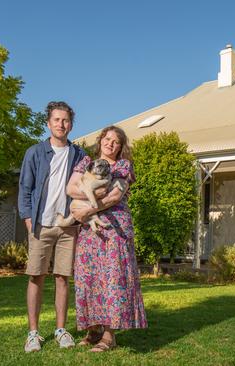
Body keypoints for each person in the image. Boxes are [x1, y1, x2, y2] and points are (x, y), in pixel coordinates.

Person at [67, 126, 147, 352]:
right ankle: (93, 330)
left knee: (113, 278)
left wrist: (88, 209)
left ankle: (109, 336)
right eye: (107, 139)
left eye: (116, 141)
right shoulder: (85, 162)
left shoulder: (123, 166)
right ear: (101, 140)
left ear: (121, 147)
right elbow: (70, 188)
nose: (110, 144)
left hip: (115, 227)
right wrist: (89, 198)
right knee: (88, 277)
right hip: (90, 231)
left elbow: (115, 195)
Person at [18, 101, 87, 353]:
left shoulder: (79, 154)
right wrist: (27, 218)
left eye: (66, 120)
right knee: (36, 277)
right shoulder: (35, 152)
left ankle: (60, 329)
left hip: (68, 226)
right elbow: (25, 188)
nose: (61, 124)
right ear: (48, 123)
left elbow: (86, 186)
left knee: (62, 278)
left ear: (71, 124)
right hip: (41, 224)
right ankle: (33, 333)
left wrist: (79, 218)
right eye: (57, 120)